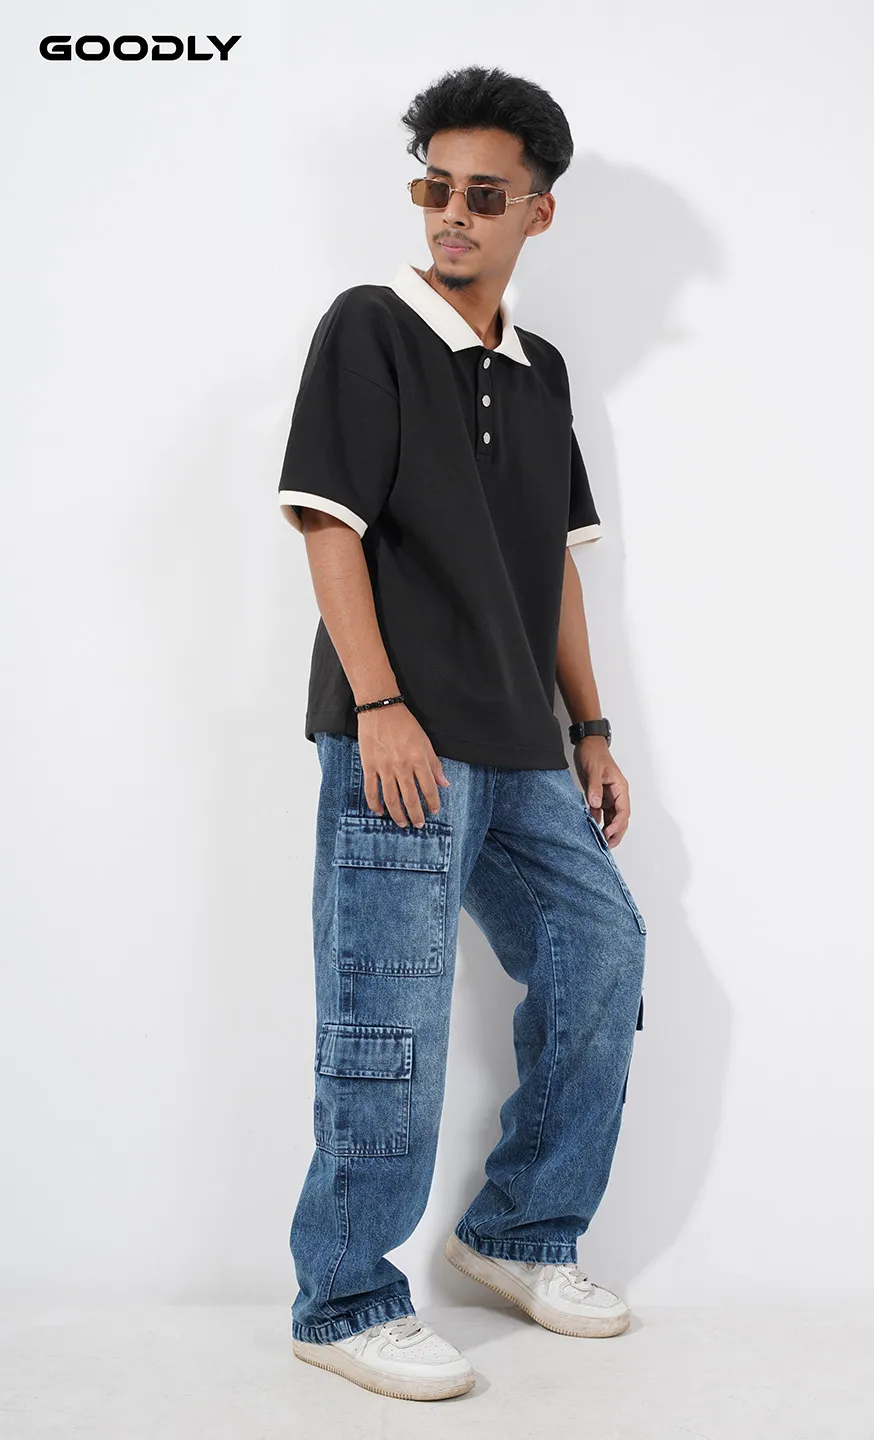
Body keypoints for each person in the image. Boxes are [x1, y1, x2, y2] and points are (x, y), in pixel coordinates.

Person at [277, 64, 647, 1403]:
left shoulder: (542, 373)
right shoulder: (371, 326)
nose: (451, 214)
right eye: (434, 186)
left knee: (603, 953)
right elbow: (329, 525)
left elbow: (554, 568)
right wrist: (380, 707)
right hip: (403, 738)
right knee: (389, 1016)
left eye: (485, 196)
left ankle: (519, 1234)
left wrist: (590, 726)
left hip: (523, 747)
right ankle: (342, 1299)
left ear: (538, 213)